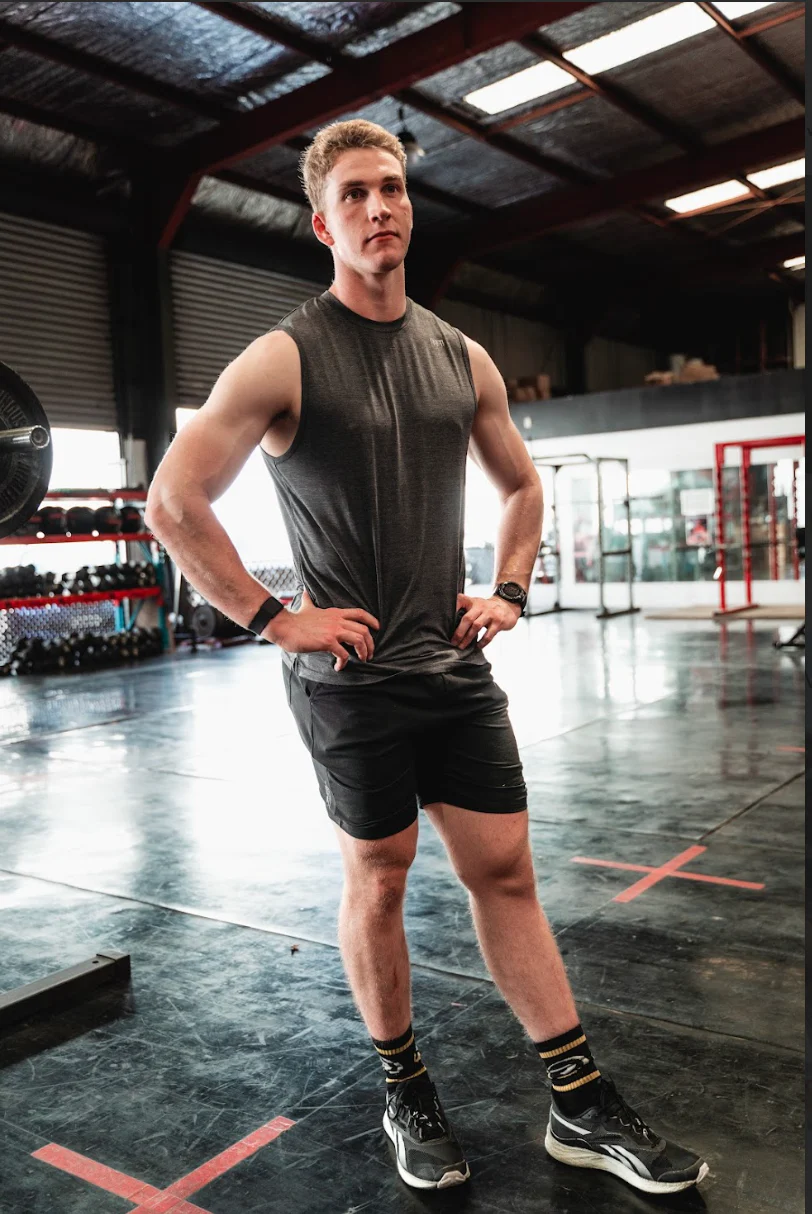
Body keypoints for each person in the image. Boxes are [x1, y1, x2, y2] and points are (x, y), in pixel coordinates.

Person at [145, 119, 707, 1197]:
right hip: (350, 680)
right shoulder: (284, 355)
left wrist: (508, 588)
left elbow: (522, 483)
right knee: (381, 874)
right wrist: (274, 618)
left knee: (505, 871)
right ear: (324, 225)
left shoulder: (461, 354)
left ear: (411, 206)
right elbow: (172, 500)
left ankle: (580, 1100)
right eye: (355, 194)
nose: (379, 208)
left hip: (452, 670)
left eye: (393, 188)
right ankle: (405, 1088)